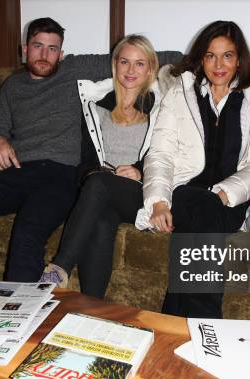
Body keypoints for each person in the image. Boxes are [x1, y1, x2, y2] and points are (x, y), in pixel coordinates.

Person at [0, 18, 181, 282]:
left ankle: (20, 310)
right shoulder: (13, 86)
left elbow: (141, 58)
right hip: (19, 171)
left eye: (52, 49)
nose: (44, 55)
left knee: (27, 230)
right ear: (24, 49)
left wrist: (203, 61)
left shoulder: (74, 68)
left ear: (61, 53)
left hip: (62, 175)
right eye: (38, 46)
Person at [135, 21, 250, 318]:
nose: (218, 64)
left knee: (203, 220)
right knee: (199, 209)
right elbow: (159, 154)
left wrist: (224, 193)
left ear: (239, 60)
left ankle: (173, 323)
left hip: (230, 202)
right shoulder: (180, 95)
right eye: (210, 56)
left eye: (227, 55)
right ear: (201, 59)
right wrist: (159, 202)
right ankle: (207, 324)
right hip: (185, 193)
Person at [39, 35, 161, 298]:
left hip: (142, 191)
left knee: (98, 184)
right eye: (124, 62)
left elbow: (169, 156)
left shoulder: (162, 108)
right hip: (103, 190)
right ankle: (91, 307)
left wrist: (140, 169)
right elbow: (85, 161)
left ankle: (60, 267)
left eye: (140, 64)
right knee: (102, 222)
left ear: (151, 69)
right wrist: (94, 173)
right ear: (114, 65)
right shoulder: (96, 106)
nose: (131, 70)